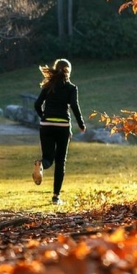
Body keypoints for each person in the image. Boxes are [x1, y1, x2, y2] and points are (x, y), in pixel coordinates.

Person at [33, 59, 86, 204]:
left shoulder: (48, 85)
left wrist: (44, 117)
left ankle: (41, 164)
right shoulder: (71, 88)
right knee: (60, 161)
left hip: (46, 125)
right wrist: (81, 124)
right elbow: (74, 106)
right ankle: (56, 197)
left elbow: (37, 104)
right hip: (63, 127)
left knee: (48, 158)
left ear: (56, 69)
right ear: (69, 71)